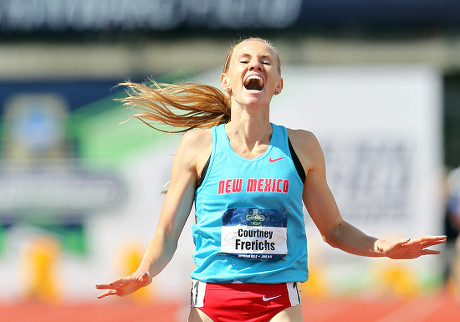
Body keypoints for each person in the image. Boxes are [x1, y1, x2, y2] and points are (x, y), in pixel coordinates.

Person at [96, 38, 447, 321]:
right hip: (210, 303)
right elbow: (167, 233)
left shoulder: (302, 146)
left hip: (277, 303)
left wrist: (383, 247)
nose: (255, 65)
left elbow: (335, 230)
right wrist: (144, 272)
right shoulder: (199, 145)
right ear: (227, 81)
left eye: (266, 61)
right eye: (244, 60)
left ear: (277, 84)